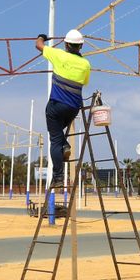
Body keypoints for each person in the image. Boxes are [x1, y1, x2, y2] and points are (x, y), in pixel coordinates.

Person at [36, 28, 91, 182]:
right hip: (73, 109)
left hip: (56, 106)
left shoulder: (59, 55)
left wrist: (42, 36)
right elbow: (85, 82)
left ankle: (58, 177)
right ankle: (65, 145)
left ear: (66, 44)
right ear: (80, 46)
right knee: (58, 134)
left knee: (54, 140)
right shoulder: (86, 64)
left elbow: (38, 45)